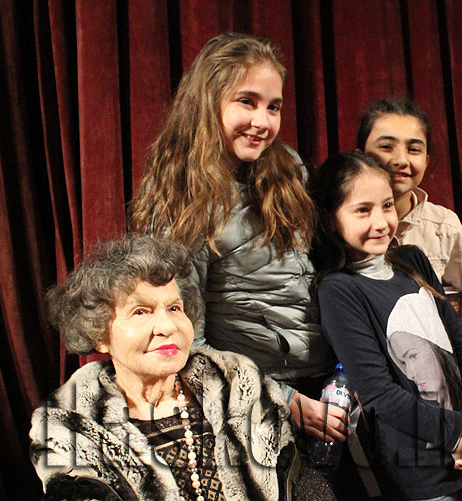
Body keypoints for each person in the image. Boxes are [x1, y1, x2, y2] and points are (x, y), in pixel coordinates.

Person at [31, 235, 395, 501]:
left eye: (174, 308)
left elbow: (295, 476)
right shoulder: (69, 421)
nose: (167, 325)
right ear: (100, 334)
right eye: (141, 311)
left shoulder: (238, 383)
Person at [129, 33, 346, 450]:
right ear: (208, 102)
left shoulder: (289, 169)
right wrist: (284, 401)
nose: (262, 122)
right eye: (247, 102)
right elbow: (184, 343)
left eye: (273, 107)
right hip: (252, 401)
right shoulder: (181, 197)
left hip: (326, 384)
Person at [311, 151, 462, 501]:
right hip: (418, 463)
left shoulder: (412, 260)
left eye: (386, 206)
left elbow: (460, 346)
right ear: (331, 219)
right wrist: (453, 435)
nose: (380, 221)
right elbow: (380, 395)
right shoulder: (339, 289)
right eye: (362, 210)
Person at [358, 98, 462, 354]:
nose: (401, 160)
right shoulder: (339, 223)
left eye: (414, 149)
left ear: (427, 161)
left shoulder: (444, 226)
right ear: (360, 154)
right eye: (386, 146)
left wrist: (461, 358)